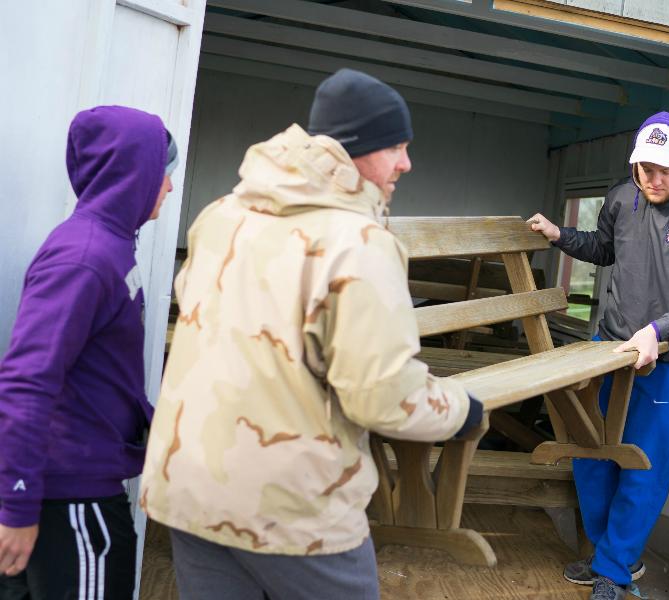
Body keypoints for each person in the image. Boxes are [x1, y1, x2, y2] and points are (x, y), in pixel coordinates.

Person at [139, 69, 483, 600]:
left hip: (191, 493)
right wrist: (464, 410)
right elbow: (383, 398)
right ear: (356, 148)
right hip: (294, 511)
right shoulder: (359, 242)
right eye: (395, 146)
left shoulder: (221, 217)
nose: (405, 163)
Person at [529, 111, 669, 600]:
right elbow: (604, 249)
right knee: (590, 455)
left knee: (642, 468)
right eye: (644, 167)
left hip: (667, 363)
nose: (653, 178)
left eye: (664, 168)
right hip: (610, 349)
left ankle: (614, 570)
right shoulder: (622, 198)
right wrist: (561, 235)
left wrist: (658, 329)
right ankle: (615, 557)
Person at [0, 105, 176, 599]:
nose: (167, 185)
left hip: (75, 488)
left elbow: (104, 372)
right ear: (132, 173)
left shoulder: (113, 246)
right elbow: (27, 379)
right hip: (70, 500)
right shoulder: (85, 257)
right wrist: (15, 505)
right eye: (161, 171)